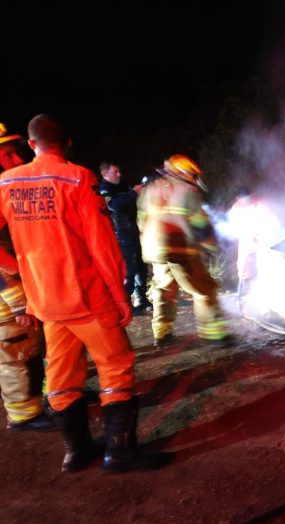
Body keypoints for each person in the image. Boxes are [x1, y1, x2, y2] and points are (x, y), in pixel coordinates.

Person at [0, 114, 168, 473]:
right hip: (86, 298)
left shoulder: (6, 184)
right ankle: (120, 452)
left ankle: (76, 452)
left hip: (46, 302)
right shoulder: (77, 178)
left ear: (31, 145)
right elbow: (102, 245)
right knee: (116, 366)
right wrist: (121, 296)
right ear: (68, 143)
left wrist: (17, 267)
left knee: (61, 376)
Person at [138, 154, 232, 348]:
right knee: (204, 288)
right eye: (191, 174)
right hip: (180, 250)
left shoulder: (150, 190)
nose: (193, 178)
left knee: (164, 290)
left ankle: (162, 334)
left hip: (155, 251)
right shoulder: (186, 191)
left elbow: (141, 220)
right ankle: (214, 334)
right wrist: (209, 245)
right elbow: (200, 225)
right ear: (183, 173)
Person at [0, 122, 54, 431]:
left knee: (35, 345)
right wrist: (18, 303)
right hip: (7, 295)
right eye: (6, 156)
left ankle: (53, 395)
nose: (16, 161)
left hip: (21, 286)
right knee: (14, 350)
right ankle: (23, 414)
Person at [98, 160, 151, 311]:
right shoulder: (104, 188)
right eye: (115, 172)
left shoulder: (123, 185)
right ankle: (125, 304)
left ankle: (141, 299)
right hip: (121, 235)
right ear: (105, 174)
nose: (119, 174)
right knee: (129, 269)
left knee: (141, 266)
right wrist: (133, 193)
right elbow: (112, 205)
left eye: (119, 171)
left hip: (134, 230)